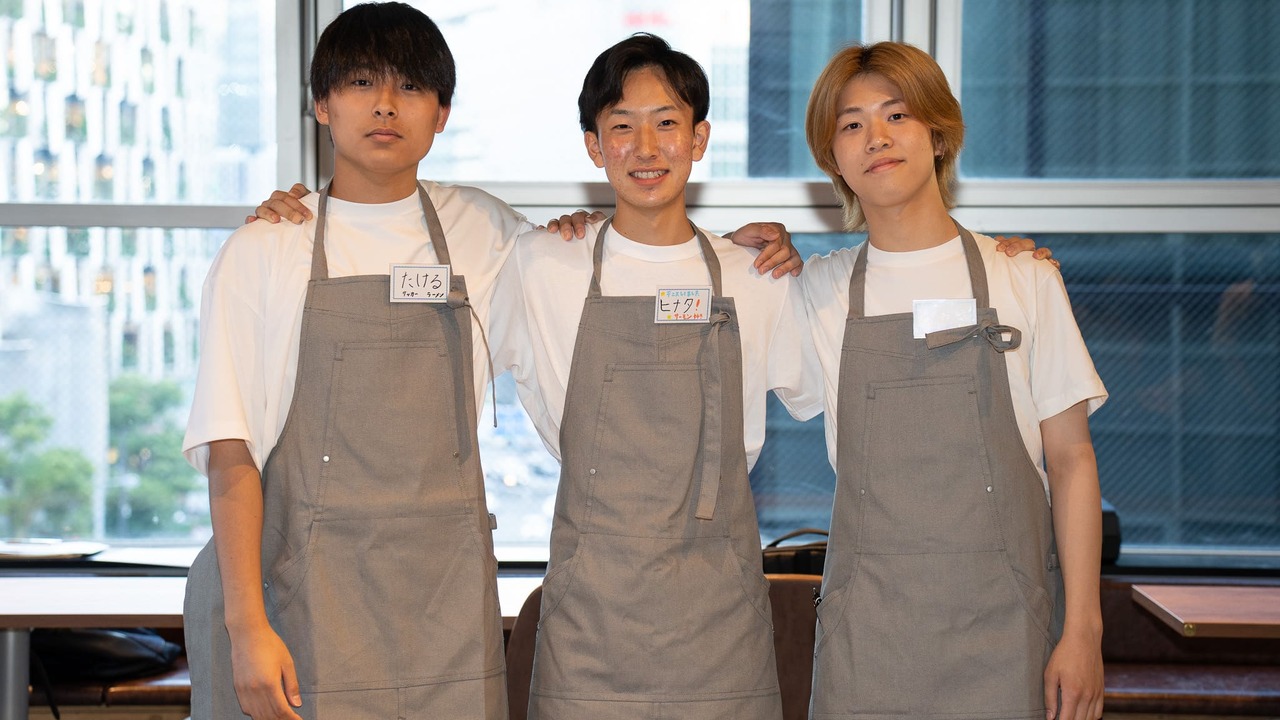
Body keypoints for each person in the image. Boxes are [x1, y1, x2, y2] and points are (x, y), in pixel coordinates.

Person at [182, 5, 544, 719]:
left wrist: (737, 249)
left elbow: (608, 263)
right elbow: (231, 450)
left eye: (410, 86)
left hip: (442, 610)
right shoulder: (267, 248)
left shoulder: (487, 230)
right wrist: (247, 625)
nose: (385, 104)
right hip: (292, 597)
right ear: (322, 104)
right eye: (358, 82)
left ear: (441, 112)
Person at [487, 33, 822, 720]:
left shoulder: (755, 277)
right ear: (593, 145)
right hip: (590, 625)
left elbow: (829, 382)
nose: (646, 148)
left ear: (699, 138)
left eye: (666, 123)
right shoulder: (542, 265)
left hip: (719, 623)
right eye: (622, 127)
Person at [798, 42, 1107, 720]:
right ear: (835, 160)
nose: (875, 138)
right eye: (850, 125)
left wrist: (1083, 630)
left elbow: (1072, 460)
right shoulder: (815, 292)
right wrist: (749, 241)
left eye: (897, 115)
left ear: (938, 133)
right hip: (867, 647)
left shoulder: (1023, 278)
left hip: (1008, 637)